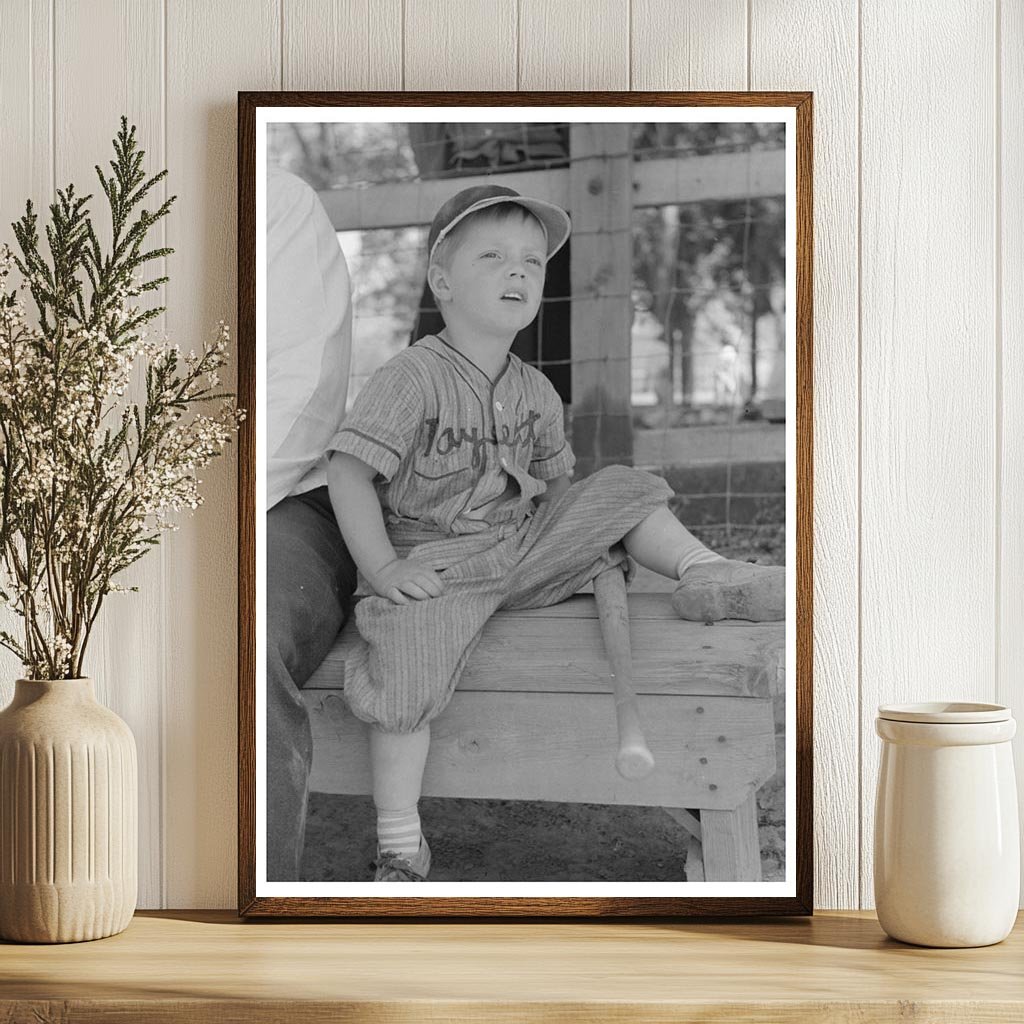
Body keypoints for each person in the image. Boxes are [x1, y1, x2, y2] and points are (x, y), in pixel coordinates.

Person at [326, 184, 784, 882]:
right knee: (406, 660)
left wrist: (580, 545)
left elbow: (562, 490)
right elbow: (348, 474)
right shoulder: (411, 377)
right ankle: (399, 843)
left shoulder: (536, 390)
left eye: (532, 262)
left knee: (623, 486)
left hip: (523, 549)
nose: (518, 271)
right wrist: (385, 571)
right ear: (441, 281)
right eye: (494, 256)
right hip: (436, 564)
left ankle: (706, 571)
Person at [266, 167, 358, 880]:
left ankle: (247, 914)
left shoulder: (279, 201)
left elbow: (300, 396)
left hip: (274, 493)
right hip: (79, 502)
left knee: (242, 636)